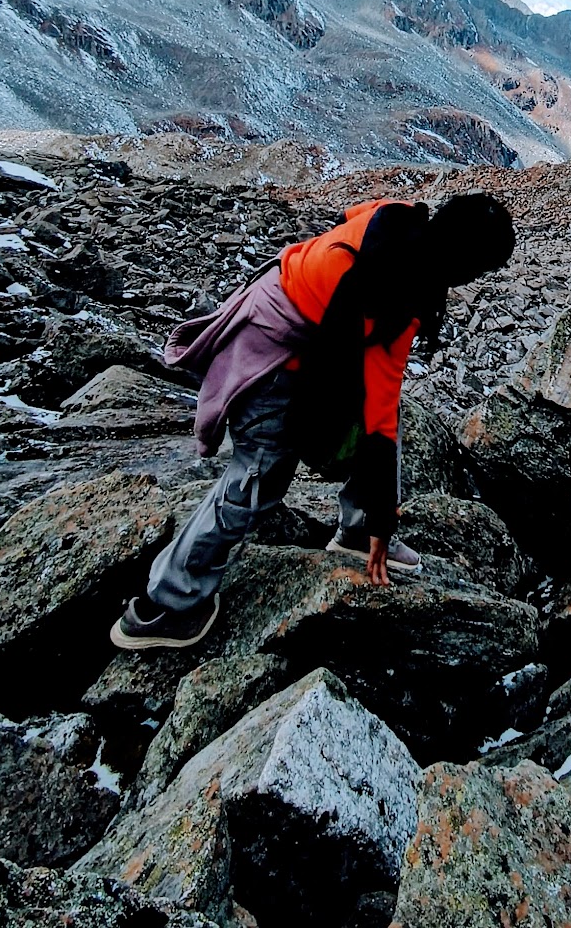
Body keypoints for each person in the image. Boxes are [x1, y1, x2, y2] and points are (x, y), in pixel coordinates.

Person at [110, 192, 515, 650]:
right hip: (273, 347)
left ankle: (356, 530)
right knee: (263, 469)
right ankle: (167, 603)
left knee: (353, 426)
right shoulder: (396, 291)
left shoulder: (403, 218)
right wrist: (385, 521)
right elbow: (378, 415)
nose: (473, 280)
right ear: (461, 260)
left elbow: (355, 214)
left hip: (296, 322)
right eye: (479, 269)